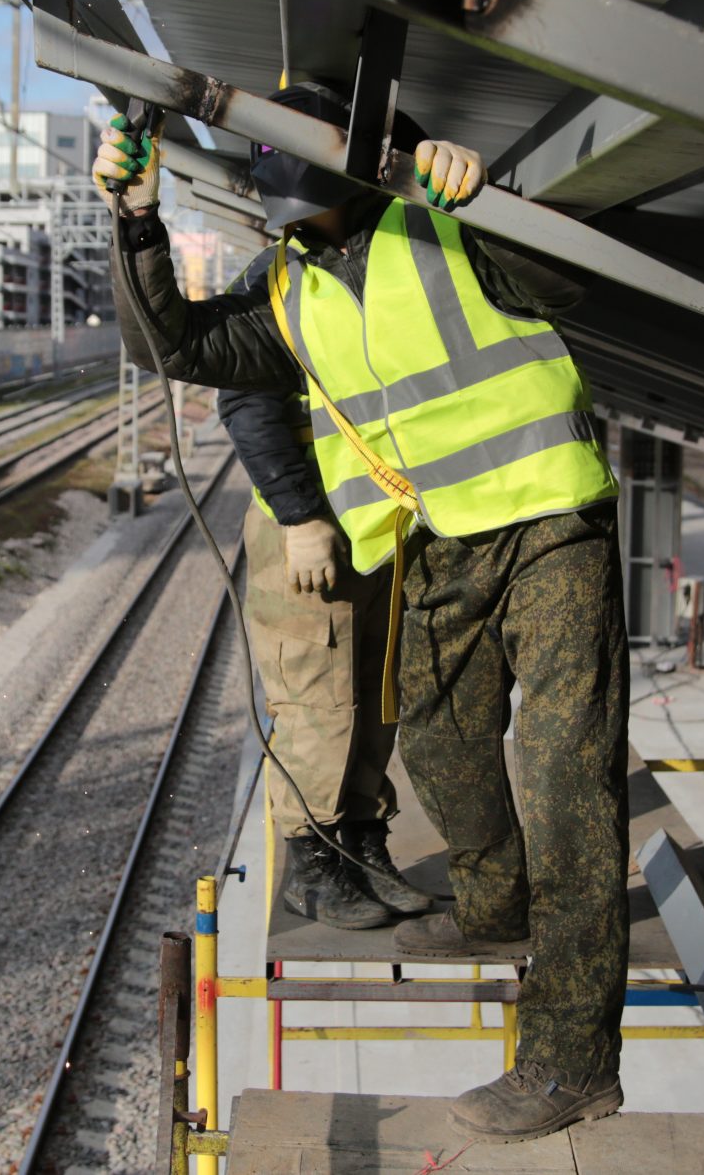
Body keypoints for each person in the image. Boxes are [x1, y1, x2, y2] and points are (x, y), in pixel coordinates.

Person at [96, 84, 631, 1143]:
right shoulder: (289, 290)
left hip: (551, 525)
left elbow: (569, 283)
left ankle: (573, 1059)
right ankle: (494, 906)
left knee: (568, 778)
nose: (303, 221)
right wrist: (135, 218)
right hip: (439, 543)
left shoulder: (442, 223)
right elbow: (175, 350)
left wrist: (490, 196)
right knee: (440, 744)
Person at [220, 284, 433, 930]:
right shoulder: (274, 280)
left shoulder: (373, 264)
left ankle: (362, 844)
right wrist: (298, 513)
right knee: (318, 700)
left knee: (373, 694)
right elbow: (244, 396)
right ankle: (312, 863)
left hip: (375, 525)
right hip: (309, 528)